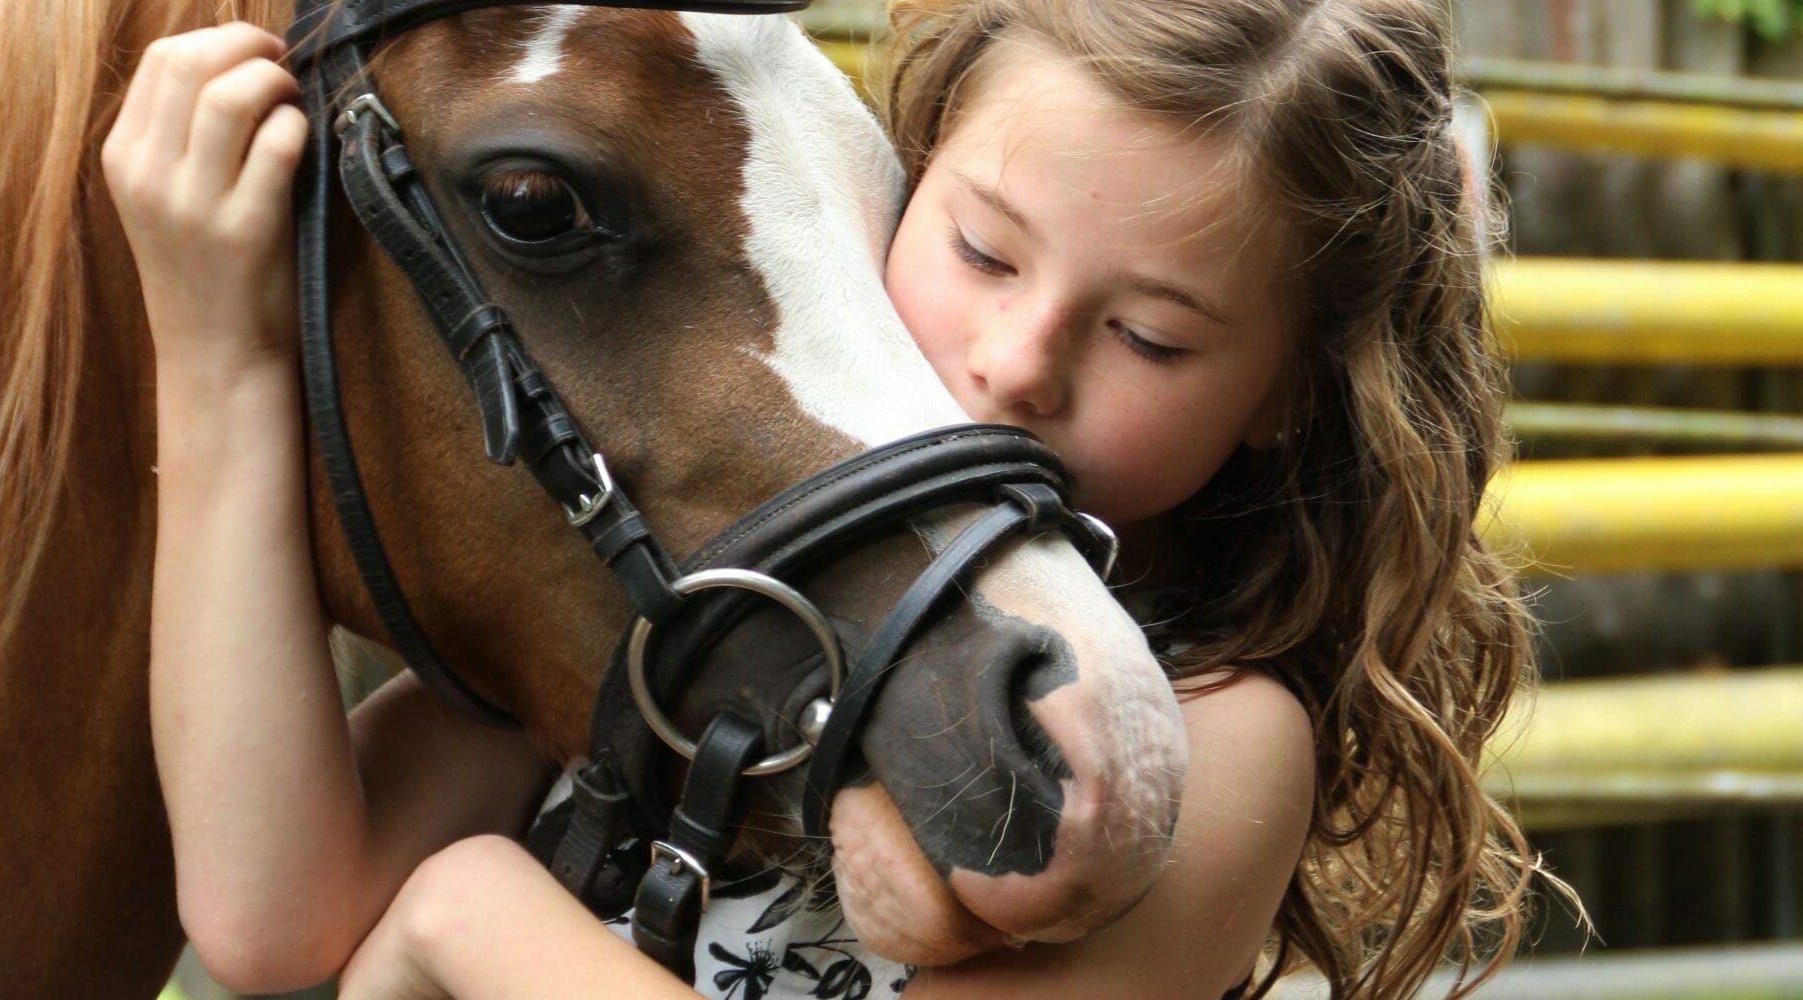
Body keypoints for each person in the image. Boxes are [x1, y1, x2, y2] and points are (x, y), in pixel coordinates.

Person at [108, 1, 1548, 997]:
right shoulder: (703, 603)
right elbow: (269, 909)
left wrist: (458, 918)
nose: (1014, 360)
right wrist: (216, 356)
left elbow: (378, 916)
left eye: (1149, 338)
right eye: (983, 252)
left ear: (1292, 390)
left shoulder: (1224, 732)